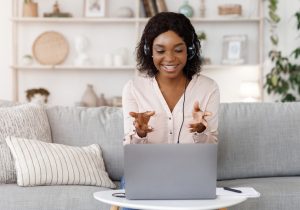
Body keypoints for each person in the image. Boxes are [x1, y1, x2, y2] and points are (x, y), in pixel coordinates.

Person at [120, 12, 220, 210]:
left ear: (190, 51)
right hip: (144, 173)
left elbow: (211, 149)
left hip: (191, 174)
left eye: (178, 50)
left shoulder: (208, 88)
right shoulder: (133, 89)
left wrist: (200, 130)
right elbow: (131, 151)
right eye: (160, 51)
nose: (169, 58)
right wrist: (140, 132)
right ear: (149, 51)